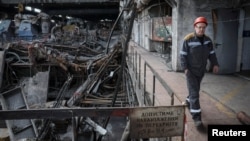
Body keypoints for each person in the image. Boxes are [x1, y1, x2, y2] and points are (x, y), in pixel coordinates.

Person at [180, 16, 219, 127]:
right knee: (195, 93)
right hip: (191, 71)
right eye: (199, 27)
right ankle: (197, 118)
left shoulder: (208, 41)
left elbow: (212, 54)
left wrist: (215, 64)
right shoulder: (188, 39)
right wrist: (185, 68)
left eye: (203, 27)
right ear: (195, 27)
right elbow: (183, 55)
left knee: (195, 89)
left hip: (201, 70)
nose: (201, 29)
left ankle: (188, 101)